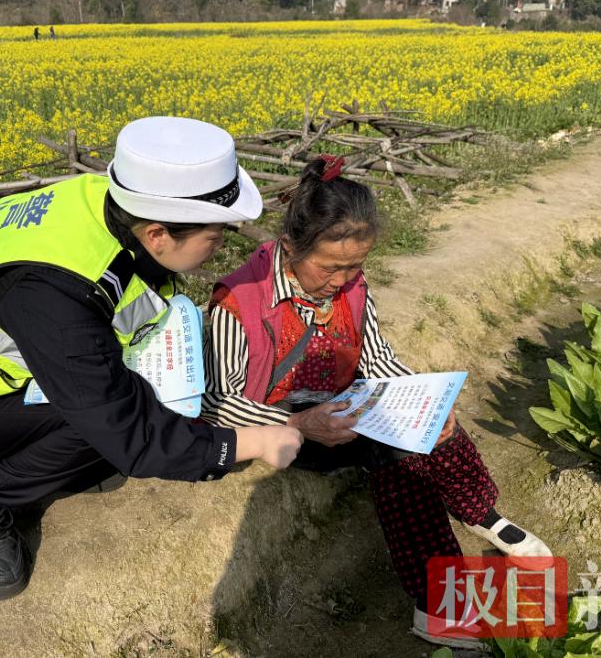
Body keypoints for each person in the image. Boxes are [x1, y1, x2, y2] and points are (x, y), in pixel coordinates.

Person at [0, 116, 304, 600]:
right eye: (216, 234)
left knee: (116, 403)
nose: (221, 244)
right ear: (158, 235)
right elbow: (124, 428)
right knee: (98, 422)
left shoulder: (107, 205)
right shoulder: (53, 295)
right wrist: (249, 442)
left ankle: (63, 462)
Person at [202, 157, 550, 650]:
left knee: (436, 424)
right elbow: (218, 403)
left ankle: (479, 512)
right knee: (399, 458)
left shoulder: (353, 288)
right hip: (282, 425)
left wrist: (425, 399)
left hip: (342, 407)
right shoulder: (239, 300)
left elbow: (378, 358)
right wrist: (298, 421)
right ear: (290, 247)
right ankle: (437, 605)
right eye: (330, 267)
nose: (342, 279)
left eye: (354, 266)